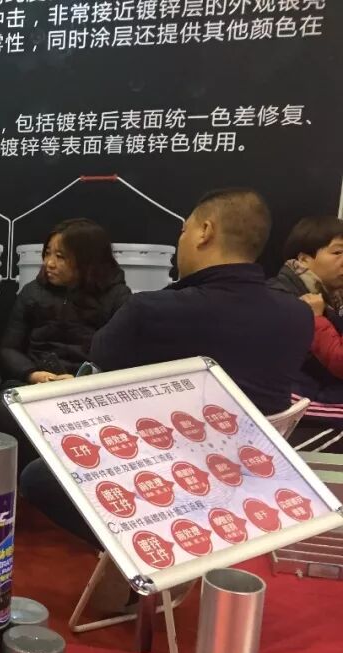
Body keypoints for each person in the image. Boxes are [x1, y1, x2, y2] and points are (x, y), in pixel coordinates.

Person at [20, 188, 314, 547]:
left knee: (39, 478)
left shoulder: (151, 311)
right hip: (252, 484)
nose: (181, 242)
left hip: (171, 478)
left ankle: (147, 550)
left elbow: (99, 362)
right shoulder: (299, 315)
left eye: (184, 230)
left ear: (205, 232)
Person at [0, 219, 131, 472]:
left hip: (89, 390)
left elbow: (124, 358)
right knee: (1, 408)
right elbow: (8, 348)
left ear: (87, 260)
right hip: (36, 384)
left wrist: (82, 380)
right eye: (47, 253)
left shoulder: (117, 297)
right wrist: (33, 374)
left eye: (60, 256)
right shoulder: (32, 292)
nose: (49, 263)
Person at [268, 216, 343, 403]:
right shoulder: (280, 297)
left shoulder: (334, 300)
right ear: (304, 259)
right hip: (298, 406)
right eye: (338, 252)